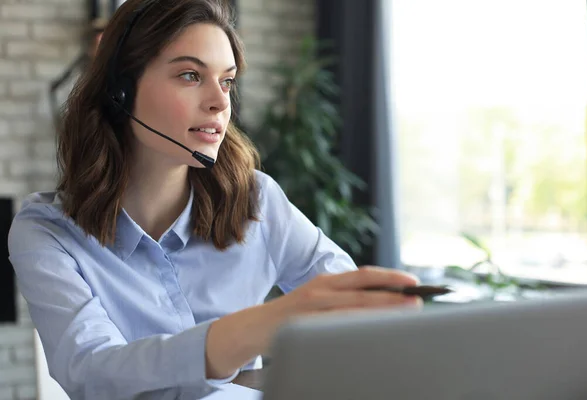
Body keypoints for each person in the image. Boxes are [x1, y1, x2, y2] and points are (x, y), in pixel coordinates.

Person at [8, 0, 421, 399]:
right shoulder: (47, 231)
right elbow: (94, 373)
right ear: (121, 92)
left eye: (227, 81)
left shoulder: (257, 200)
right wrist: (258, 329)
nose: (220, 102)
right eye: (190, 75)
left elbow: (354, 321)